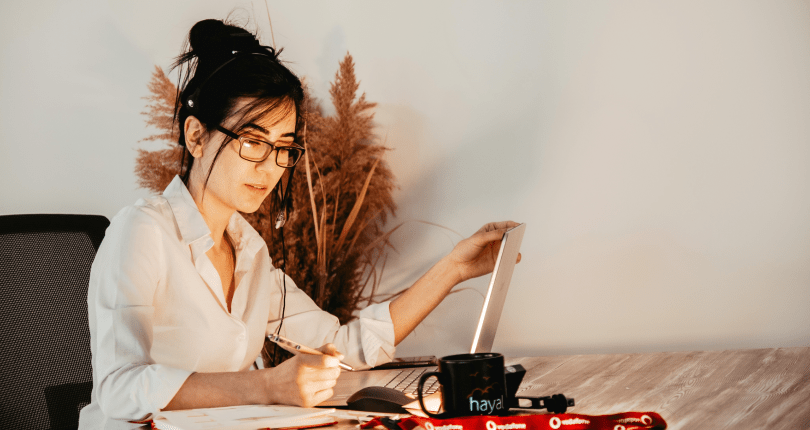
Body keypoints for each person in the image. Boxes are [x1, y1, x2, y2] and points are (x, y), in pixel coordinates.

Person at [78, 18, 520, 430]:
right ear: (196, 136)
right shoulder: (142, 233)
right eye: (252, 141)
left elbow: (343, 345)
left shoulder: (248, 250)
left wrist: (454, 269)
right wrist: (267, 385)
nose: (271, 168)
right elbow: (118, 387)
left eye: (283, 148)